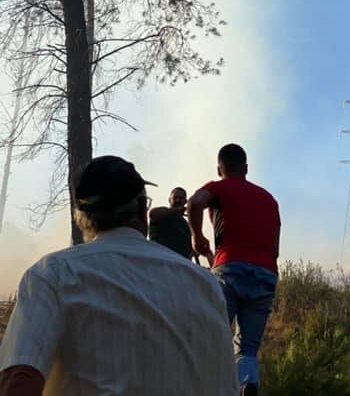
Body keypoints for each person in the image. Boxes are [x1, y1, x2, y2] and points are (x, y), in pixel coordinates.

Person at [0, 156, 238, 396]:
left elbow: (20, 379)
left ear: (81, 218)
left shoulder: (53, 274)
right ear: (143, 210)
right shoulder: (208, 285)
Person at [189, 143, 281, 396]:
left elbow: (195, 202)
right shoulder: (269, 199)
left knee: (212, 337)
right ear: (247, 168)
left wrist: (196, 236)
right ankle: (246, 385)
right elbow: (276, 243)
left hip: (230, 268)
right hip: (266, 272)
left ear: (220, 169)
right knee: (247, 348)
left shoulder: (218, 187)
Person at [148, 186, 194, 259]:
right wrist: (176, 211)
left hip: (181, 264)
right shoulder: (161, 214)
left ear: (185, 201)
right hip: (160, 260)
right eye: (175, 198)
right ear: (169, 200)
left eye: (181, 198)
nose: (178, 200)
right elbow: (153, 213)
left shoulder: (187, 224)